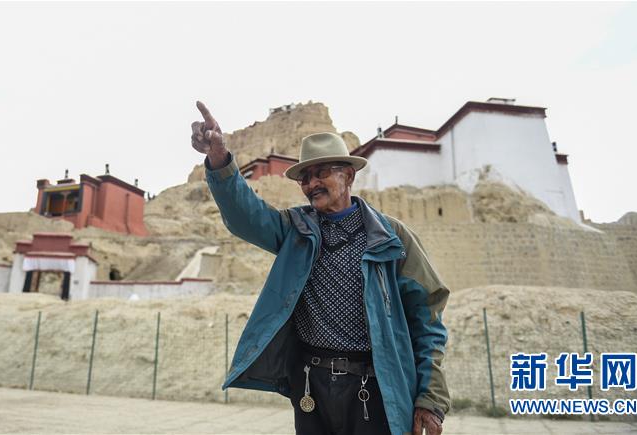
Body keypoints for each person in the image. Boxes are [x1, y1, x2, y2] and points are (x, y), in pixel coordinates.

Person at [191, 101, 449, 435]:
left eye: (322, 173)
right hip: (310, 385)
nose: (312, 183)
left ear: (348, 175)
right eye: (305, 177)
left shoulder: (392, 238)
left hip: (376, 387)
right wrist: (219, 159)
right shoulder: (296, 230)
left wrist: (430, 398)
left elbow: (427, 318)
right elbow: (246, 216)